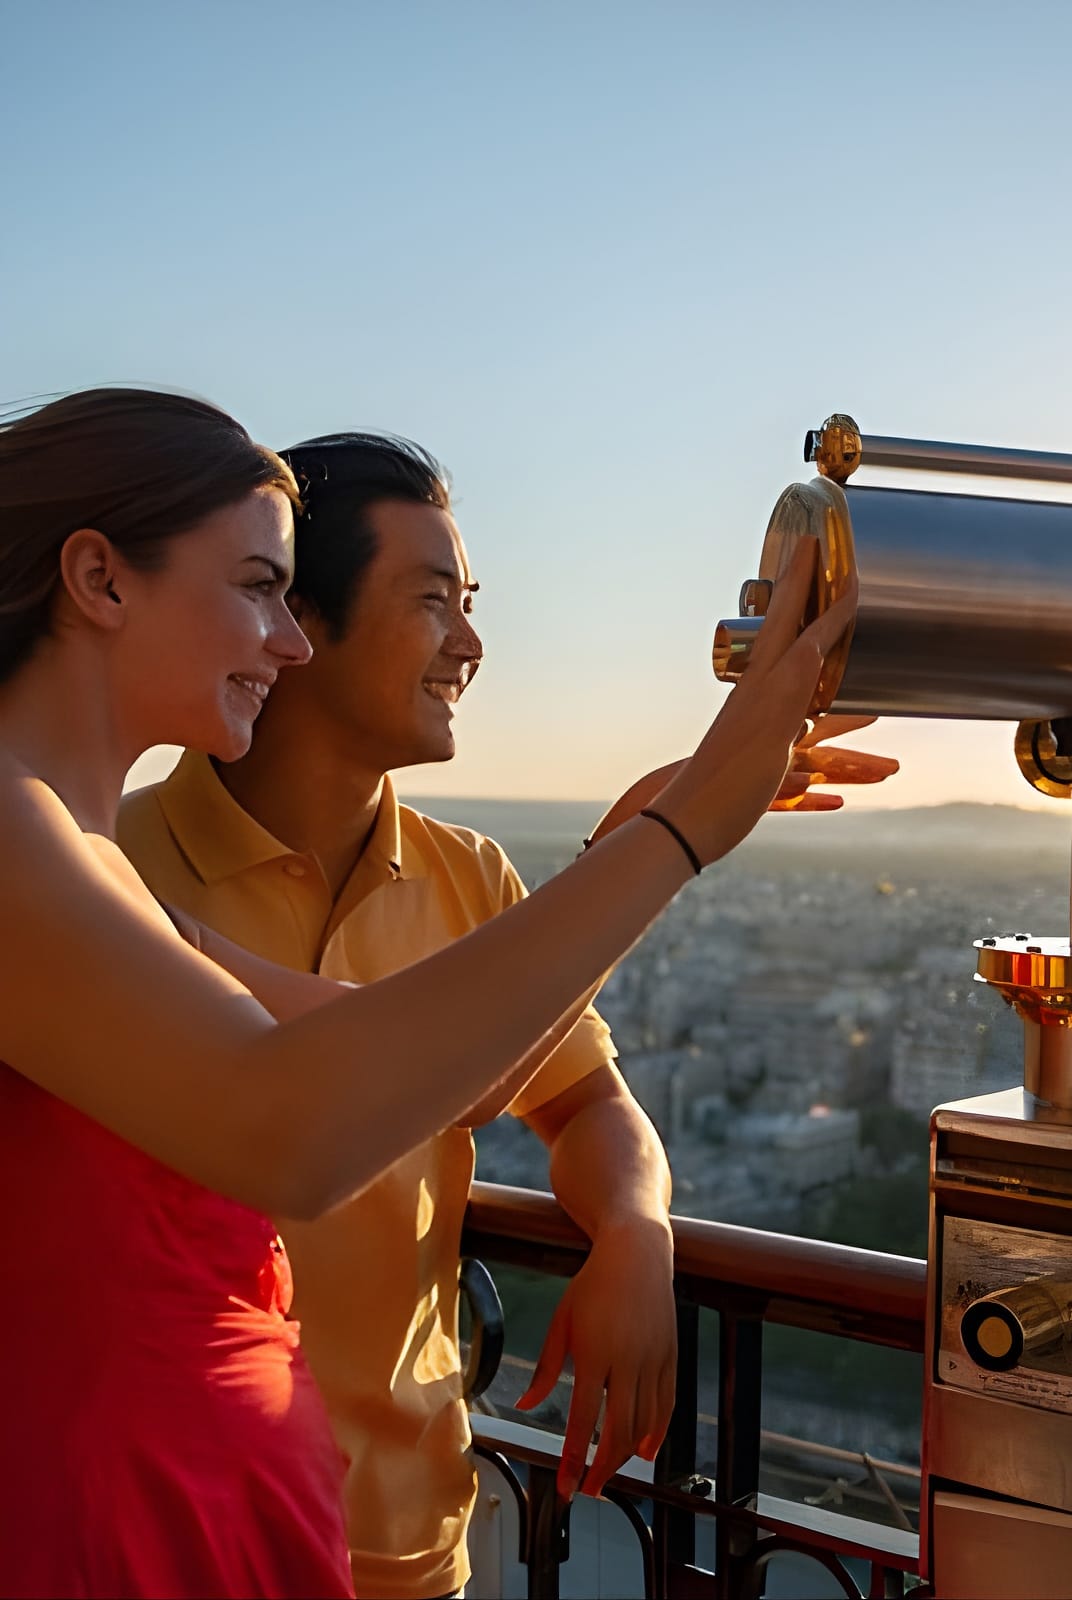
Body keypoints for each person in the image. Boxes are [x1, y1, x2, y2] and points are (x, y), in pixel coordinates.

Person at [0, 387, 874, 1598]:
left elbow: (409, 1073)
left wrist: (636, 848)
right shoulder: (20, 834)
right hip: (115, 1530)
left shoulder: (78, 856)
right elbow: (295, 1128)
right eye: (258, 585)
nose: (287, 640)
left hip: (211, 1522)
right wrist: (679, 831)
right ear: (100, 579)